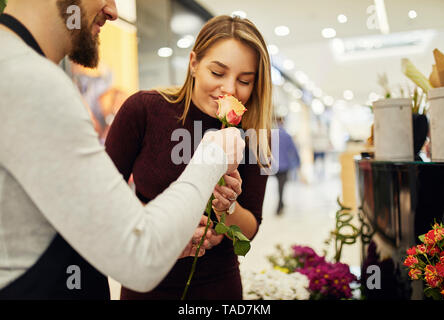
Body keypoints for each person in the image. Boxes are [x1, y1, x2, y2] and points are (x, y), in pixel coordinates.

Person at [0, 0, 245, 299]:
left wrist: (167, 231)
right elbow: (142, 257)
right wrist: (212, 156)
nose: (114, 10)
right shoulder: (31, 82)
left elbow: (90, 228)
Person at [105, 15, 273, 300]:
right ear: (194, 63)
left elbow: (251, 229)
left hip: (219, 285)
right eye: (218, 73)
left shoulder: (253, 133)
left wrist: (228, 207)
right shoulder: (143, 110)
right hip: (149, 284)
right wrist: (154, 222)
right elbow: (102, 198)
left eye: (244, 80)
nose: (230, 90)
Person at [272, 117, 300, 215]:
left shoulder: (271, 135)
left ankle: (281, 204)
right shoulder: (287, 136)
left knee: (277, 187)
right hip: (284, 166)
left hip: (273, 166)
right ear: (283, 122)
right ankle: (279, 207)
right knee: (281, 187)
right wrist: (298, 163)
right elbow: (294, 150)